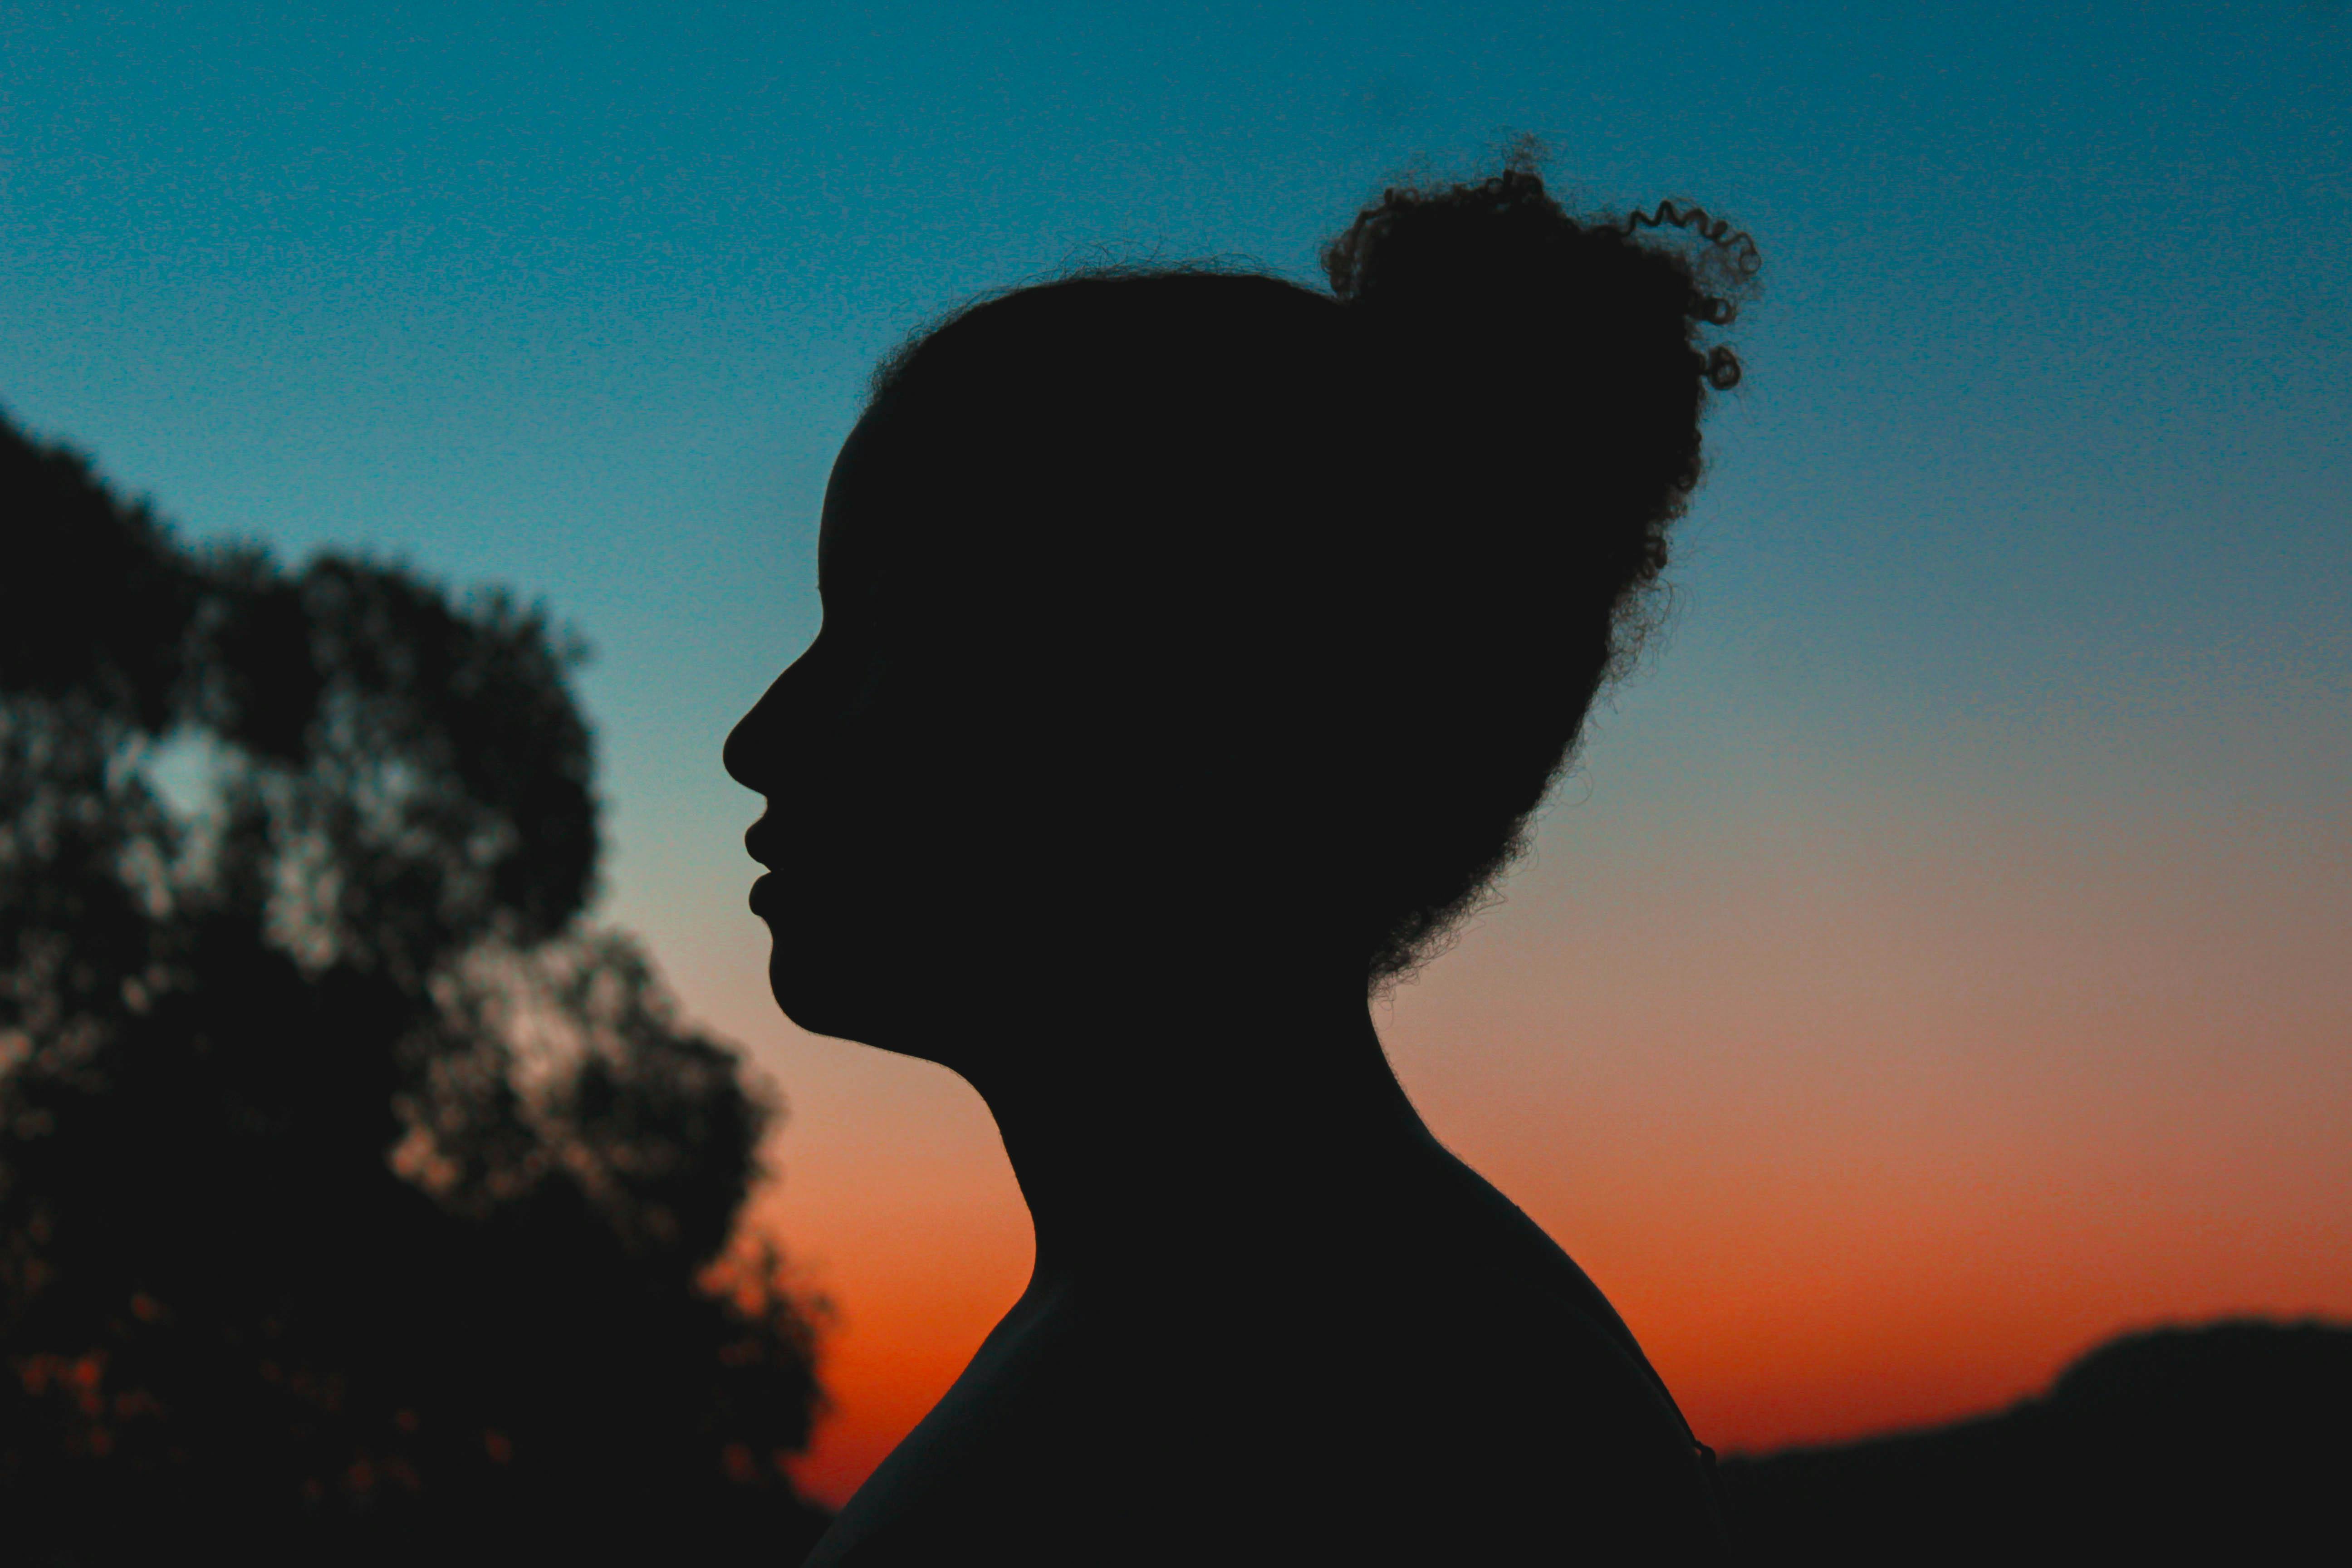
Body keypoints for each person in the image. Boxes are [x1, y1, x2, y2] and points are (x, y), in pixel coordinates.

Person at [725, 156, 1756, 1565]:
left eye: (893, 629)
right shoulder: (1305, 1336)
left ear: (1207, 699)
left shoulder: (1328, 1414)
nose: (762, 737)